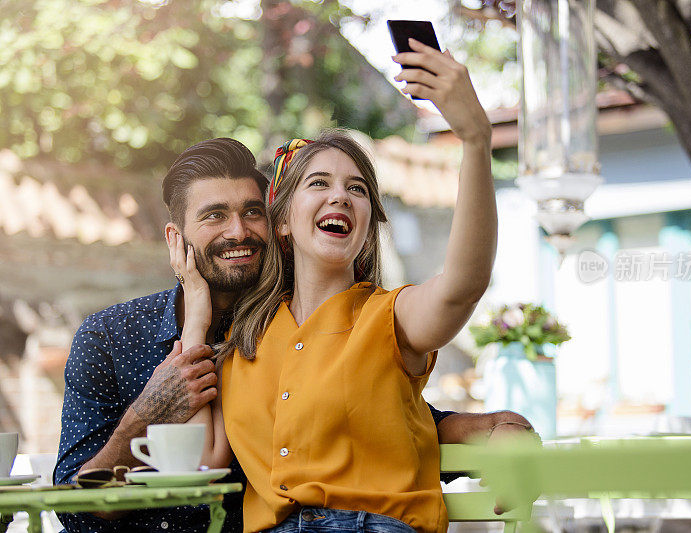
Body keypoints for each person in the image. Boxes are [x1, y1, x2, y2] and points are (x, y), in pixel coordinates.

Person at [55, 132, 534, 532]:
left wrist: (493, 428)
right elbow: (74, 506)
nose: (239, 231)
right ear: (175, 239)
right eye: (214, 215)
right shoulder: (115, 337)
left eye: (251, 211)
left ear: (275, 221)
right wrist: (145, 413)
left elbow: (379, 413)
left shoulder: (319, 322)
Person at [173, 39, 521, 533]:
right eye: (319, 183)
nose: (340, 194)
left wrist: (475, 140)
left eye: (356, 189)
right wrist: (199, 315)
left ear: (366, 224)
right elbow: (202, 463)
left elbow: (464, 285)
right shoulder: (243, 345)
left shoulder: (391, 318)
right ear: (283, 223)